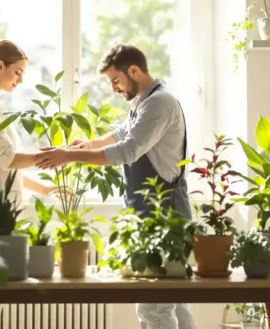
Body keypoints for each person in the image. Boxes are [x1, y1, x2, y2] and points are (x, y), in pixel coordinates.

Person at [34, 43, 195, 329]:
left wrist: (69, 156)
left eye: (115, 80)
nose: (114, 88)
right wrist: (87, 144)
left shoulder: (160, 102)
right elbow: (121, 133)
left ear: (134, 70)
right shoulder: (144, 102)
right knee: (172, 301)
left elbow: (128, 150)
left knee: (154, 307)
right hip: (153, 215)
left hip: (163, 216)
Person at [0, 39, 65, 329]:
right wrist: (52, 157)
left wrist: (43, 189)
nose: (20, 79)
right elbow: (8, 159)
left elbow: (4, 168)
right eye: (17, 72)